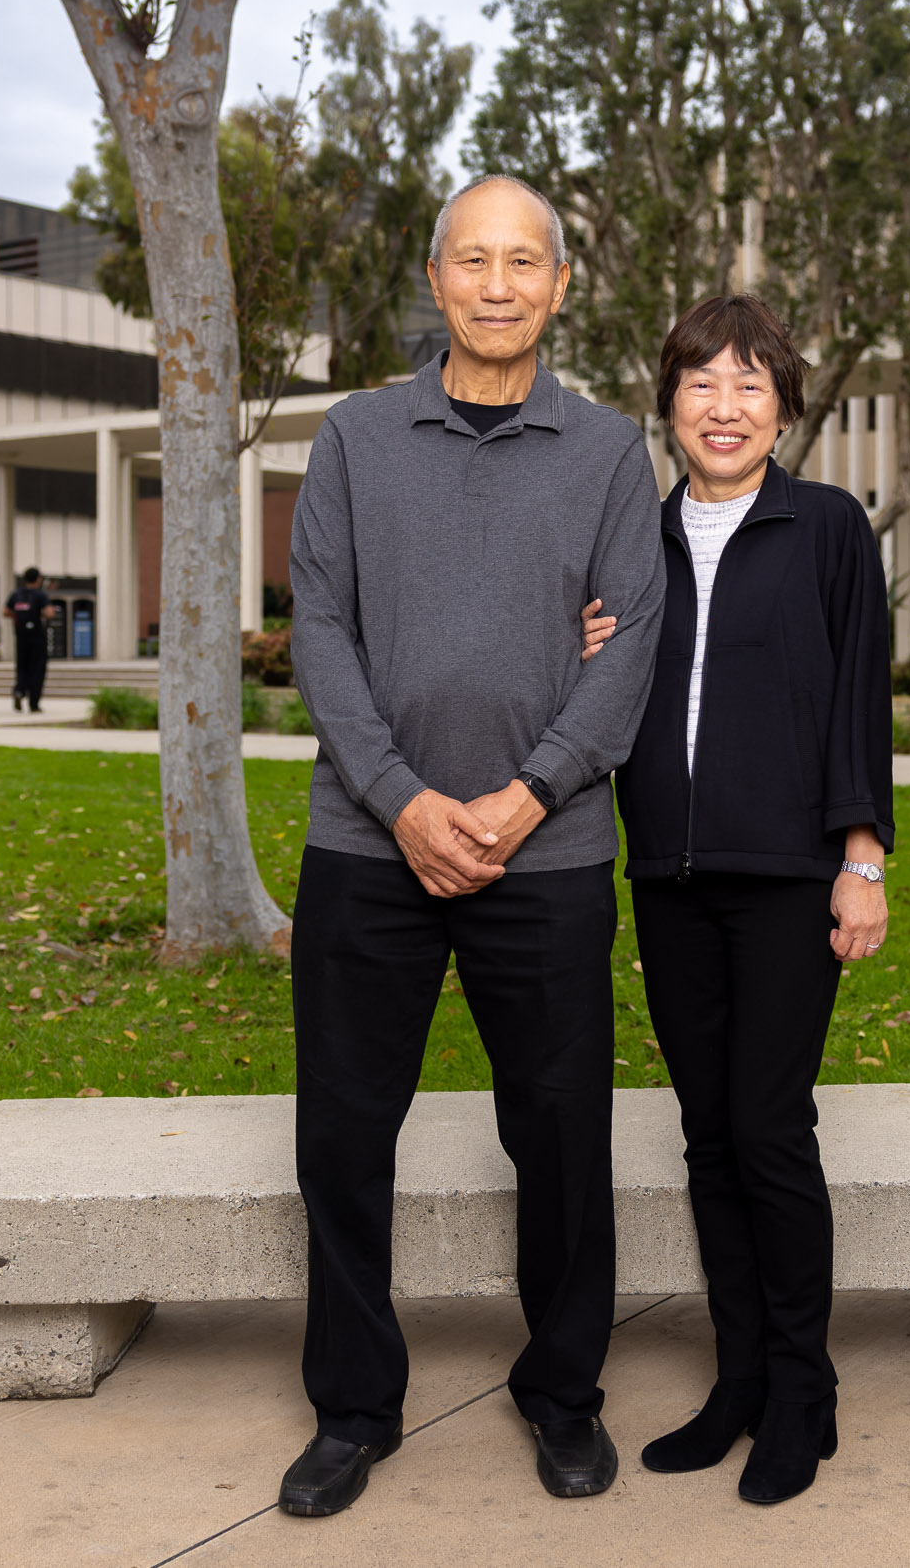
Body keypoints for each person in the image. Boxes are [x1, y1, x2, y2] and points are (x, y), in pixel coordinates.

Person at [280, 174, 666, 1519]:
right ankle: (353, 1404)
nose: (499, 284)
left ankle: (563, 1391)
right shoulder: (353, 439)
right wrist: (399, 799)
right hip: (366, 845)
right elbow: (319, 634)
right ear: (434, 278)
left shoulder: (614, 452)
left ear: (560, 286)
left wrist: (523, 797)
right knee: (341, 1132)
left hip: (547, 855)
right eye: (473, 259)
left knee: (560, 1134)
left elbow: (633, 658)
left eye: (526, 262)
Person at [582, 293, 893, 1506]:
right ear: (668, 404)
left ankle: (803, 1394)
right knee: (707, 1136)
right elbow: (598, 691)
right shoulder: (635, 543)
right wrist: (586, 638)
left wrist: (861, 861)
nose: (725, 405)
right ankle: (740, 1378)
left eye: (751, 383)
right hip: (667, 874)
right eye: (702, 383)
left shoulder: (825, 528)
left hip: (786, 879)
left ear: (783, 407)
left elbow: (859, 699)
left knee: (768, 1128)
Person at [3, 567, 59, 713]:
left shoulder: (16, 594)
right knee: (37, 669)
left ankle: (19, 691)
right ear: (38, 579)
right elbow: (49, 613)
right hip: (37, 637)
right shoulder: (40, 595)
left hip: (20, 637)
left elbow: (5, 612)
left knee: (21, 667)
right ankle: (34, 703)